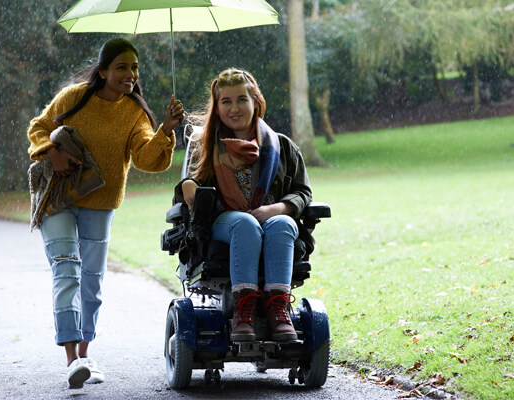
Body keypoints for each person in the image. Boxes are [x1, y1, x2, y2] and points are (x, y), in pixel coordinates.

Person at [25, 37, 183, 389]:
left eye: (134, 68)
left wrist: (166, 131)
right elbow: (38, 127)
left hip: (101, 204)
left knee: (92, 282)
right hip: (58, 199)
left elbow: (145, 158)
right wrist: (52, 152)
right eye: (122, 67)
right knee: (67, 270)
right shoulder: (74, 98)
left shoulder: (134, 111)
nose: (130, 74)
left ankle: (84, 353)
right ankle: (71, 359)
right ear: (103, 71)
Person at [179, 68, 312, 344]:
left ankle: (278, 309)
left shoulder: (282, 147)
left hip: (273, 219)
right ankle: (244, 310)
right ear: (217, 107)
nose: (234, 108)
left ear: (255, 101)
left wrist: (275, 209)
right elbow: (188, 189)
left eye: (241, 99)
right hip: (223, 223)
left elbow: (302, 192)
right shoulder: (204, 146)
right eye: (225, 101)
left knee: (284, 223)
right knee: (244, 222)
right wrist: (187, 187)